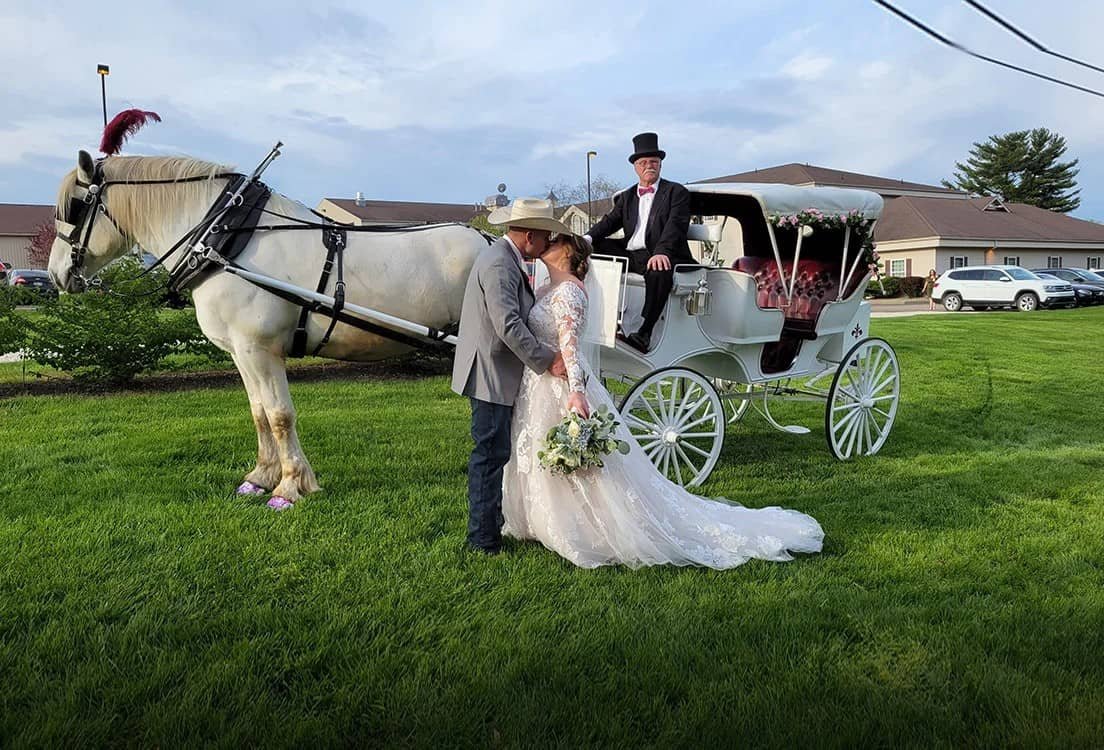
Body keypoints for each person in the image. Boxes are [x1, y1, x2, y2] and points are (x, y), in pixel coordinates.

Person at [501, 234, 823, 569]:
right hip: (538, 385)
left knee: (578, 461)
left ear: (567, 253)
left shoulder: (567, 292)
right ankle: (543, 520)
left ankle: (583, 527)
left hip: (562, 383)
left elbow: (570, 348)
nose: (546, 245)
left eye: (554, 242)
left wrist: (577, 393)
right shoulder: (544, 290)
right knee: (538, 452)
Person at [451, 197, 575, 555]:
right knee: (489, 454)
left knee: (493, 453)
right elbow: (508, 324)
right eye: (545, 236)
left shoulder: (505, 258)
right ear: (529, 234)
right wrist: (547, 359)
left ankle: (489, 530)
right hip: (489, 372)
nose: (548, 243)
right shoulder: (499, 264)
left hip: (494, 369)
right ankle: (482, 539)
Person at [585, 132, 692, 353]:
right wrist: (585, 239)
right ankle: (599, 319)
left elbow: (676, 226)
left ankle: (644, 333)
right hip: (633, 256)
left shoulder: (676, 192)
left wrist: (662, 251)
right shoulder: (627, 196)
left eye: (653, 161)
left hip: (664, 255)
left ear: (660, 164)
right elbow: (609, 222)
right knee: (589, 249)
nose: (649, 166)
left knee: (660, 269)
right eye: (643, 162)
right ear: (635, 167)